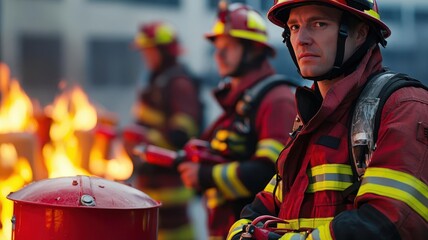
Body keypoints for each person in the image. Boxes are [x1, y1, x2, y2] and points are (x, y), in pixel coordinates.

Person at [227, 0, 428, 239]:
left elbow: (386, 223)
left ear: (361, 32)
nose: (301, 39)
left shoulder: (403, 107)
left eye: (319, 24)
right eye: (294, 27)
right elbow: (264, 205)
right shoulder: (311, 116)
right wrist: (241, 232)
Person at [176, 3, 297, 239]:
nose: (218, 55)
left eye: (228, 47)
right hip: (227, 229)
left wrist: (205, 175)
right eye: (217, 47)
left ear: (253, 50)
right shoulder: (239, 101)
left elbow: (270, 174)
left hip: (251, 231)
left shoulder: (277, 100)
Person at [123, 21, 202, 240]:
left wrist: (145, 139)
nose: (146, 56)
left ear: (164, 51)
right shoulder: (157, 80)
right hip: (152, 180)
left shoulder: (178, 83)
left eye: (149, 50)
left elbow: (182, 135)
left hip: (171, 186)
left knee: (170, 233)